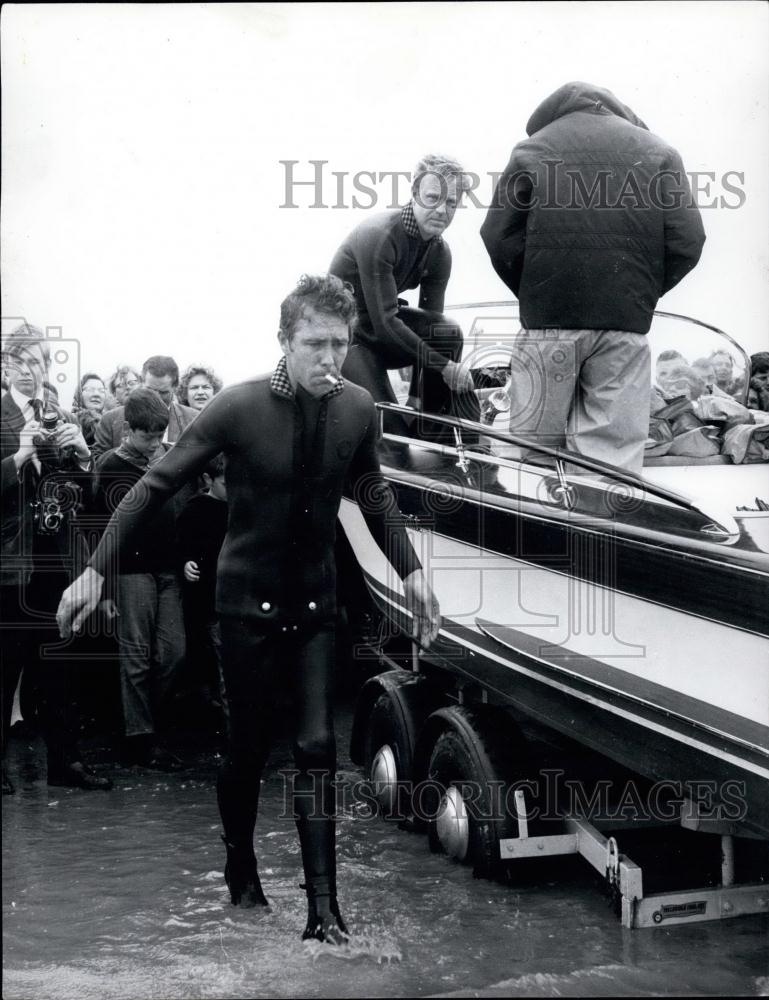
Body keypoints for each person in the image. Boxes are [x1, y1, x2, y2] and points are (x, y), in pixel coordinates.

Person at [56, 274, 440, 943]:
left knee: (318, 748)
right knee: (245, 748)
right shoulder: (238, 407)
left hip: (317, 602)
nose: (328, 357)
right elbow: (154, 484)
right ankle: (241, 869)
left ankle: (324, 912)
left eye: (338, 344)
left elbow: (373, 494)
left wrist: (412, 573)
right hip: (243, 606)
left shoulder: (356, 408)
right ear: (284, 342)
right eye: (314, 343)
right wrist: (94, 570)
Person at [480, 82, 706, 474]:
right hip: (623, 327)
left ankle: (538, 531)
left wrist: (536, 292)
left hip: (548, 324)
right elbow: (688, 241)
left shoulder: (531, 150)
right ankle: (604, 534)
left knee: (533, 456)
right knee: (609, 464)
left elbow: (497, 235)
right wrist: (638, 294)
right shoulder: (660, 152)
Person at [1, 324, 113, 792]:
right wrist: (20, 456)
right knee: (5, 666)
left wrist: (86, 459)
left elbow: (87, 503)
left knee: (60, 665)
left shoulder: (61, 415)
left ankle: (65, 765)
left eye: (41, 362)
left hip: (55, 563)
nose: (32, 371)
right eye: (22, 361)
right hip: (9, 565)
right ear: (7, 364)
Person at [330, 153, 479, 438]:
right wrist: (445, 367)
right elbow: (386, 323)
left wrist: (416, 397)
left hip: (379, 333)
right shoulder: (381, 235)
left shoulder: (440, 252)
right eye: (433, 198)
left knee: (448, 330)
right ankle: (400, 437)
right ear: (413, 194)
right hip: (347, 338)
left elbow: (433, 327)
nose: (441, 210)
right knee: (393, 432)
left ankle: (431, 425)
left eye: (451, 203)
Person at [93, 388, 187, 770]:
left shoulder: (167, 460)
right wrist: (104, 588)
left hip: (168, 569)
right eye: (147, 436)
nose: (154, 443)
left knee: (173, 653)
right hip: (130, 572)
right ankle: (140, 739)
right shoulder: (110, 466)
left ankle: (142, 724)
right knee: (135, 657)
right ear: (128, 429)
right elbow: (99, 529)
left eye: (159, 435)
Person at [177, 452, 229, 726]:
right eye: (226, 484)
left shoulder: (242, 507)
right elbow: (181, 545)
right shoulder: (195, 508)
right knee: (222, 664)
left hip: (234, 597)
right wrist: (185, 563)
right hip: (209, 600)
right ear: (208, 479)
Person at [92, 356, 198, 463]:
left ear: (175, 387)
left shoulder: (193, 419)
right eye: (151, 390)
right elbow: (97, 465)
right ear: (141, 383)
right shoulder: (111, 420)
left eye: (163, 392)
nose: (157, 396)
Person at [72, 372, 109, 445]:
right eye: (90, 390)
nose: (96, 394)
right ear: (79, 394)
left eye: (101, 391)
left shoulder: (110, 423)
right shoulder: (71, 422)